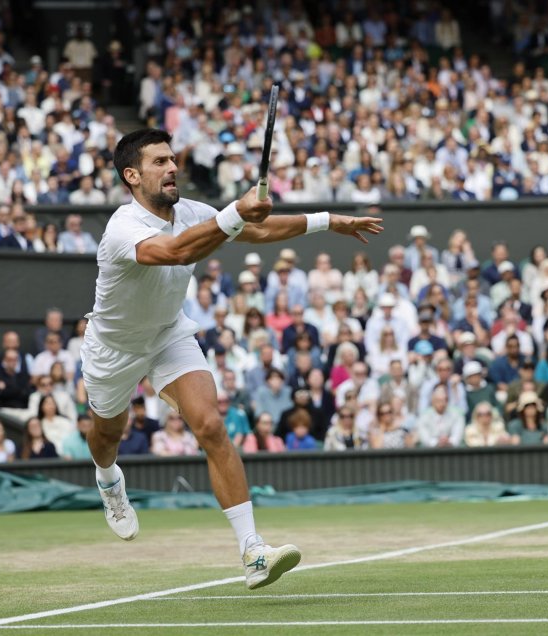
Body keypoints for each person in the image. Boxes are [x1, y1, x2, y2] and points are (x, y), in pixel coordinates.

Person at [81, 129, 381, 588]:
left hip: (167, 334)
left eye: (173, 159)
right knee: (107, 437)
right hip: (113, 348)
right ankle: (108, 479)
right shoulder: (123, 227)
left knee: (211, 425)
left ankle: (253, 551)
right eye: (159, 162)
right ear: (132, 176)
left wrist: (328, 221)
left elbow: (257, 230)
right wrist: (235, 213)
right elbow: (176, 251)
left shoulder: (191, 212)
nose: (172, 167)